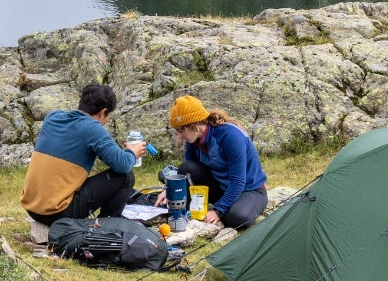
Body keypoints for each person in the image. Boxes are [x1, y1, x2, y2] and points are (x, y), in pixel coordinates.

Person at [21, 83, 143, 225]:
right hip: (58, 213)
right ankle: (105, 227)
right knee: (126, 176)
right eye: (107, 116)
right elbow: (123, 164)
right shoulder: (92, 129)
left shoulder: (52, 117)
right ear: (103, 112)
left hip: (33, 208)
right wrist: (132, 152)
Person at [167, 94, 267, 229]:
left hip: (250, 189)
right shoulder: (193, 141)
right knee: (186, 168)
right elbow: (187, 173)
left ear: (194, 125)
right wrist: (171, 190)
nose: (179, 136)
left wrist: (218, 211)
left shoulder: (230, 136)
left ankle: (232, 207)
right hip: (221, 187)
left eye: (180, 130)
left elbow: (238, 181)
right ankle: (187, 212)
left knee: (236, 218)